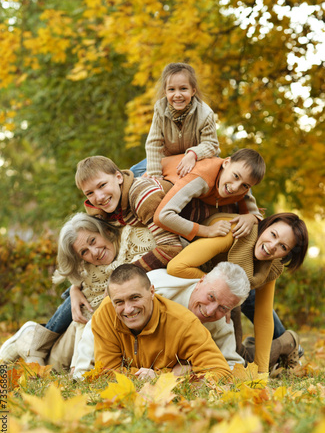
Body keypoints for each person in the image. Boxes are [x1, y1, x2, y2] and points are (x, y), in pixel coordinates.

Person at [0, 214, 156, 371]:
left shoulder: (136, 243)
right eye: (84, 252)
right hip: (77, 335)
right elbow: (84, 319)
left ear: (105, 231)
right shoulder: (90, 275)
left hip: (105, 339)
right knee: (55, 366)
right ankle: (30, 338)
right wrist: (75, 367)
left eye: (93, 241)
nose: (94, 252)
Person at [167, 212, 309, 374]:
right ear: (265, 226)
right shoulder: (234, 231)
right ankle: (280, 342)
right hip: (205, 289)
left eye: (283, 247)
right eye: (273, 234)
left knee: (234, 358)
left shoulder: (271, 267)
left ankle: (286, 342)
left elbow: (263, 317)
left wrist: (261, 373)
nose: (271, 246)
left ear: (287, 255)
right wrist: (220, 292)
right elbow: (176, 267)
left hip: (230, 298)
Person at [91, 264, 232, 381]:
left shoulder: (183, 323)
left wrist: (164, 380)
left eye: (135, 297)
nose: (128, 309)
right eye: (119, 302)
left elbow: (221, 373)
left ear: (152, 292)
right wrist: (168, 375)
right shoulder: (105, 314)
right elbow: (107, 374)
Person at [76, 155, 183, 272]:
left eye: (102, 185)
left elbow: (171, 248)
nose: (99, 197)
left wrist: (126, 273)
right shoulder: (116, 204)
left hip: (194, 231)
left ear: (118, 177)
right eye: (90, 193)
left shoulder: (142, 198)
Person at [130, 62, 220, 179]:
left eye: (183, 89)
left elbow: (211, 144)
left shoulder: (205, 113)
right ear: (165, 92)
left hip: (198, 158)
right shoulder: (160, 110)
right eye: (172, 89)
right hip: (169, 158)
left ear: (193, 91)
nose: (177, 95)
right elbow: (154, 144)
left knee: (222, 172)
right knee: (134, 172)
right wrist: (155, 175)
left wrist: (193, 154)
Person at [154, 148, 265, 241]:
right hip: (159, 168)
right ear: (226, 163)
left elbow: (256, 215)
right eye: (236, 176)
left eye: (245, 185)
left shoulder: (242, 190)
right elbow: (162, 216)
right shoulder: (201, 177)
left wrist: (251, 218)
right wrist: (207, 231)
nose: (235, 188)